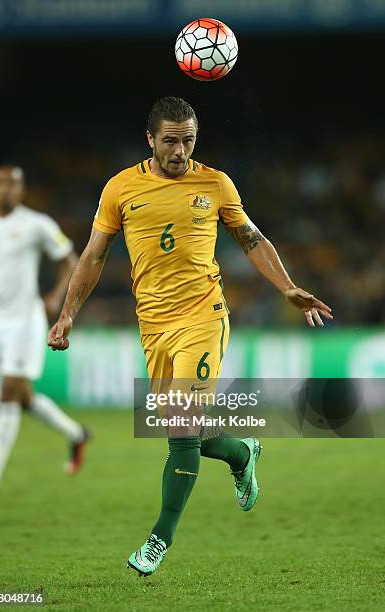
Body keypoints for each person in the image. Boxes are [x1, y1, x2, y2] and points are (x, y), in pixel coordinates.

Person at [47, 97, 333, 576]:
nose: (180, 151)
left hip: (203, 316)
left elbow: (252, 240)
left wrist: (286, 287)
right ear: (151, 140)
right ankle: (242, 452)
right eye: (171, 141)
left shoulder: (216, 183)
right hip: (153, 326)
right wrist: (68, 313)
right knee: (182, 429)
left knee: (180, 429)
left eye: (189, 141)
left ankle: (159, 538)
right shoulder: (120, 189)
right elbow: (94, 256)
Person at [0, 165, 91, 494]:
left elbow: (71, 260)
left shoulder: (36, 224)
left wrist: (56, 298)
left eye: (13, 184)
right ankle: (77, 434)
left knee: (8, 391)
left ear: (22, 190)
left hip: (26, 319)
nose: (6, 190)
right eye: (0, 183)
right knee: (22, 397)